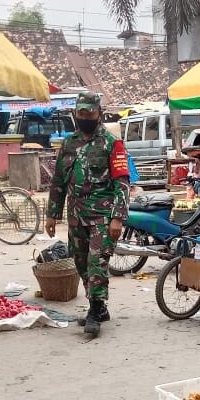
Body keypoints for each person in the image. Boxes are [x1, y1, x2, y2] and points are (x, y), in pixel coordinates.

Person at [45, 92, 130, 338]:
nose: (85, 117)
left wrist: (118, 217)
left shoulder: (111, 143)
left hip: (102, 217)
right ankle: (100, 307)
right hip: (76, 216)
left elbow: (122, 182)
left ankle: (94, 309)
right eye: (81, 113)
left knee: (96, 263)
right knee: (81, 262)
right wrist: (52, 214)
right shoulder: (68, 144)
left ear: (99, 114)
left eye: (89, 113)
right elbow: (58, 181)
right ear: (75, 114)